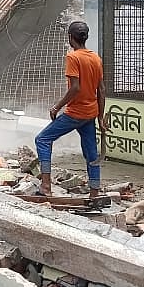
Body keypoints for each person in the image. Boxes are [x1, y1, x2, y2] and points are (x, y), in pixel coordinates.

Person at [34, 21, 107, 199]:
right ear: (86, 37)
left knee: (42, 139)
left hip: (75, 113)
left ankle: (45, 186)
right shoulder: (96, 58)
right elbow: (102, 90)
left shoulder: (73, 57)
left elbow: (75, 88)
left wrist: (56, 107)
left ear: (70, 37)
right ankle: (94, 194)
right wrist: (100, 117)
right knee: (91, 153)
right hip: (90, 114)